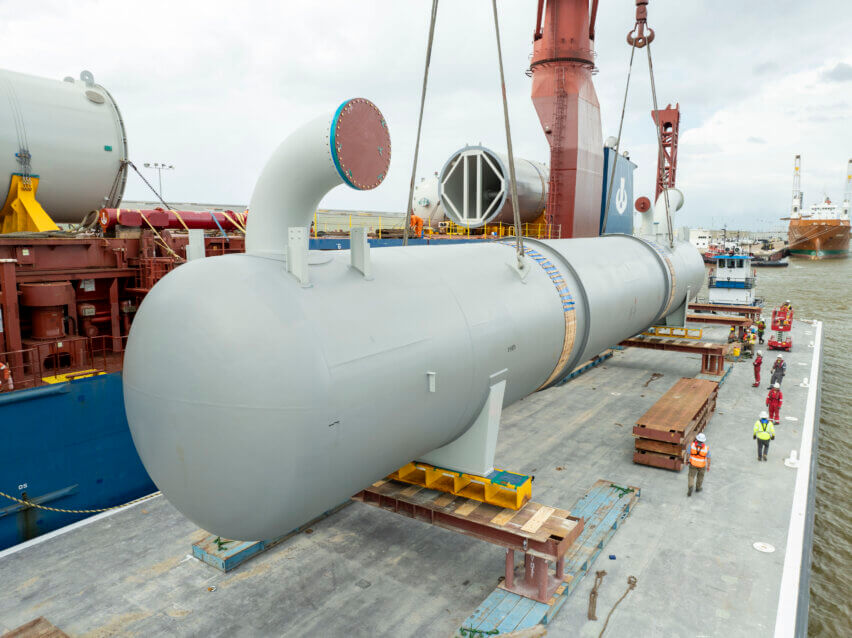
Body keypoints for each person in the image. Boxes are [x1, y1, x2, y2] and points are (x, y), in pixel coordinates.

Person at [687, 432, 710, 497]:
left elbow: (688, 454)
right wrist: (708, 466)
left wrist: (687, 460)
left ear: (697, 439)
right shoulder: (706, 448)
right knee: (700, 477)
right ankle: (698, 488)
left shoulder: (691, 445)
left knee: (691, 476)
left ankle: (691, 485)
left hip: (693, 464)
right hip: (702, 465)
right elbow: (708, 458)